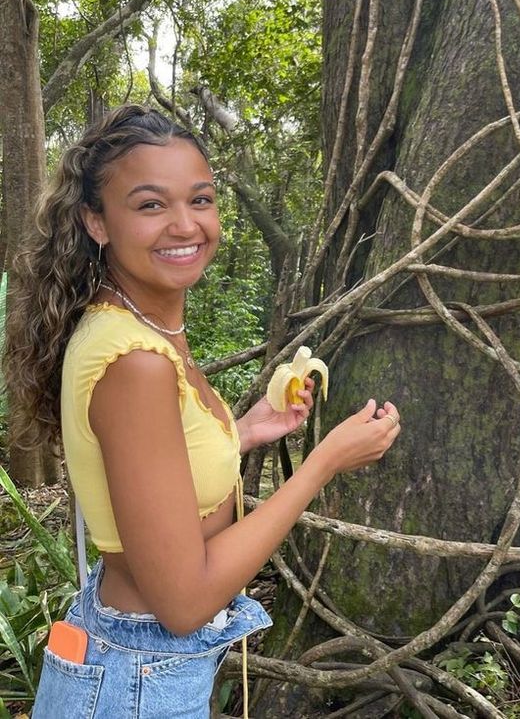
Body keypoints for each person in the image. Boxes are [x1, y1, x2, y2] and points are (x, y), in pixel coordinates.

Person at [3, 104, 401, 718]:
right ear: (96, 221)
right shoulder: (135, 362)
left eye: (201, 199)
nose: (186, 225)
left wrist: (242, 433)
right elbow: (184, 603)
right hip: (136, 682)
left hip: (137, 665)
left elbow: (153, 471)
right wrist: (321, 466)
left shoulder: (142, 324)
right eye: (150, 204)